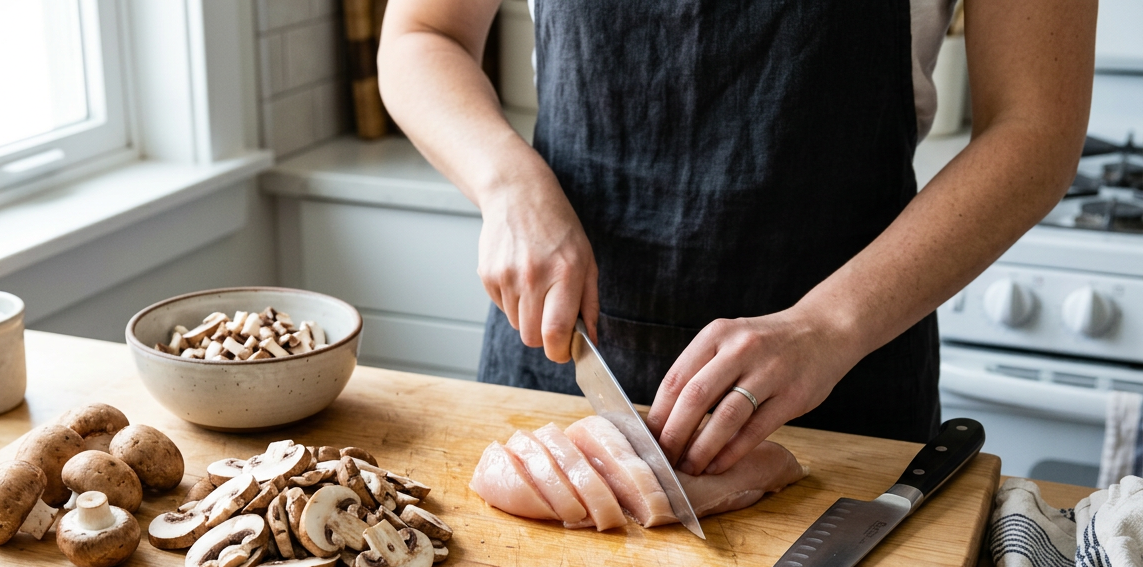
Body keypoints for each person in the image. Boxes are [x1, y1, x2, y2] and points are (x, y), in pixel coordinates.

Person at [378, 1, 1095, 475]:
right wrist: (508, 184)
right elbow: (421, 35)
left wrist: (826, 328)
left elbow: (1035, 126)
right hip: (565, 364)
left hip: (844, 380)